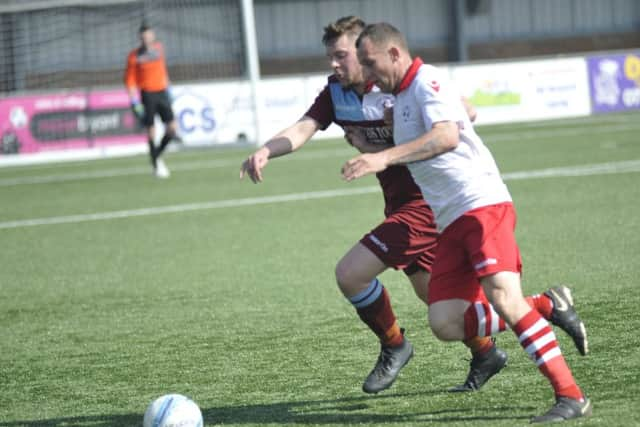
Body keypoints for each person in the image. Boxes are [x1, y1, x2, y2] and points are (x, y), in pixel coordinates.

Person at [240, 16, 508, 395]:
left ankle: (396, 345)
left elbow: (466, 112)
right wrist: (267, 150)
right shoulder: (336, 92)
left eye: (342, 56)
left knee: (350, 273)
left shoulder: (397, 84)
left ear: (367, 51)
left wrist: (389, 142)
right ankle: (486, 353)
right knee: (432, 295)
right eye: (331, 57)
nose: (335, 64)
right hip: (399, 205)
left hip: (426, 205)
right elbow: (303, 128)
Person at [342, 22, 591, 422]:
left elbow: (446, 137)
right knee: (445, 321)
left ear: (394, 53)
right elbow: (445, 126)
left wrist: (383, 157)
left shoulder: (427, 81)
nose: (368, 75)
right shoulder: (403, 96)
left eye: (371, 64)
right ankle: (547, 305)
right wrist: (373, 146)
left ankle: (570, 395)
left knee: (504, 299)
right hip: (450, 220)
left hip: (480, 204)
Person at [124, 20, 179, 179]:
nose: (146, 39)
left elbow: (163, 70)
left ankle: (156, 156)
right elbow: (130, 80)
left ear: (153, 36)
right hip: (147, 94)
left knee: (172, 128)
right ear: (140, 39)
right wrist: (134, 101)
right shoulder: (134, 56)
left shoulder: (159, 49)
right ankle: (156, 164)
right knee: (151, 131)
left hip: (162, 92)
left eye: (148, 36)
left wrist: (169, 88)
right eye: (143, 37)